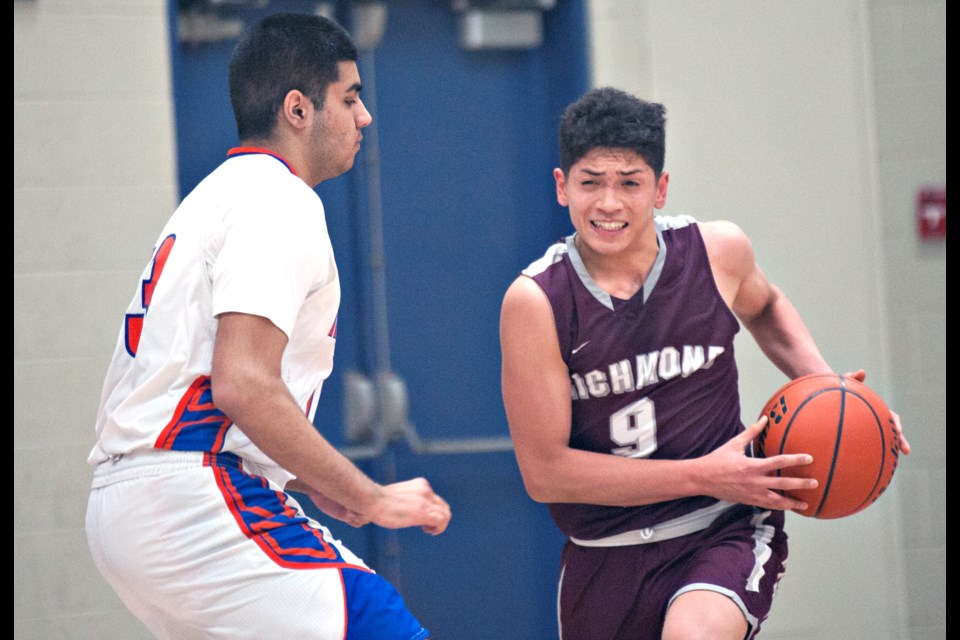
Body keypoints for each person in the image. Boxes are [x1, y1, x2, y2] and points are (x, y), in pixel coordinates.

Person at [85, 13, 451, 640]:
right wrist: (371, 497)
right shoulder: (278, 200)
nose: (364, 117)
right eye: (350, 97)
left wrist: (314, 479)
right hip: (191, 494)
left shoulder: (217, 194)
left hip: (140, 499)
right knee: (380, 624)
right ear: (297, 109)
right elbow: (243, 384)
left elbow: (208, 381)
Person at [498, 87, 909, 640]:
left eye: (630, 183)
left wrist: (831, 387)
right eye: (590, 181)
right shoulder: (536, 301)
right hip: (605, 550)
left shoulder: (717, 252)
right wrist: (703, 473)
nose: (610, 203)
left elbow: (766, 306)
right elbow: (544, 474)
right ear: (561, 186)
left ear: (661, 188)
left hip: (721, 527)